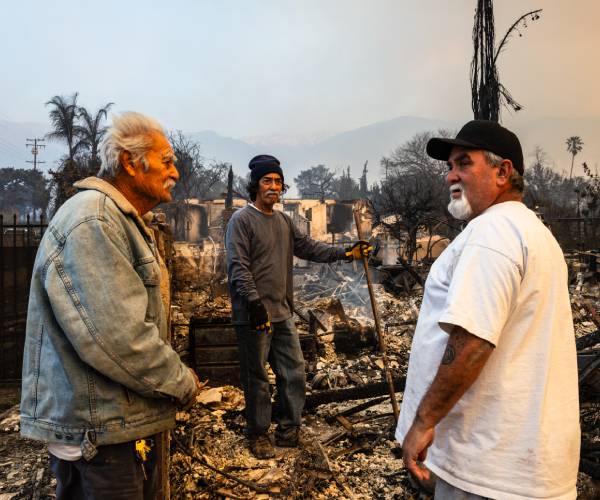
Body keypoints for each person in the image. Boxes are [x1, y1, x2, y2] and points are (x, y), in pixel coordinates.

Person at [20, 112, 203, 500]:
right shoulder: (95, 221)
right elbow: (119, 338)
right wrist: (180, 382)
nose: (175, 172)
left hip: (111, 427)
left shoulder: (118, 220)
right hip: (100, 437)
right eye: (166, 161)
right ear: (129, 162)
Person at [396, 120, 580, 499]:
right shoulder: (533, 232)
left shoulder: (492, 234)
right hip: (525, 466)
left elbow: (472, 339)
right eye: (450, 166)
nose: (451, 176)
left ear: (503, 171)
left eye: (464, 163)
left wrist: (424, 421)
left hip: (486, 468)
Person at [225, 154, 371, 459]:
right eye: (268, 181)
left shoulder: (283, 221)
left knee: (294, 373)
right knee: (257, 378)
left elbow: (310, 248)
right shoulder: (241, 221)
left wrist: (346, 253)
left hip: (281, 312)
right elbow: (238, 267)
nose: (274, 186)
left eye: (278, 181)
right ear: (255, 185)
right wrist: (254, 305)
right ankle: (258, 434)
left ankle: (289, 430)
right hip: (254, 316)